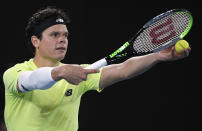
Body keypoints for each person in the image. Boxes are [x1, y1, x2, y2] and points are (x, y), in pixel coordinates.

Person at [2, 6, 191, 131]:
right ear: (36, 41)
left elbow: (123, 69)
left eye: (65, 35)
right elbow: (30, 81)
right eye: (54, 34)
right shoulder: (15, 73)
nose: (62, 39)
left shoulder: (80, 72)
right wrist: (60, 72)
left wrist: (157, 55)